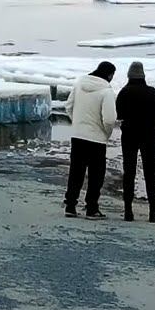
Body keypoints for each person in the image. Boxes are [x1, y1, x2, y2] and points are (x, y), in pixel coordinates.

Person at [64, 61, 118, 220]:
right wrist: (106, 134)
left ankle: (70, 206)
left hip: (78, 136)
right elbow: (109, 119)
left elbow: (68, 106)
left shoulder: (80, 83)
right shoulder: (107, 92)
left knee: (76, 172)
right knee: (96, 175)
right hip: (96, 139)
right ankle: (91, 207)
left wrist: (77, 123)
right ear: (109, 75)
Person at [117, 61, 155, 223]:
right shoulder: (152, 92)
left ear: (129, 75)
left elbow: (119, 114)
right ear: (143, 75)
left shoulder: (124, 92)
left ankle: (128, 211)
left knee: (129, 172)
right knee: (150, 172)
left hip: (129, 135)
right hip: (149, 135)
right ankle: (153, 212)